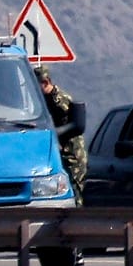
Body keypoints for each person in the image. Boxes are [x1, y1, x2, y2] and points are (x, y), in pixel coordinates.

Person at [36, 65, 87, 206]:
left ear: (45, 83)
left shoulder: (59, 99)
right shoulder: (45, 101)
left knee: (75, 189)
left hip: (72, 151)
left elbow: (72, 123)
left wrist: (55, 133)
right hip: (61, 150)